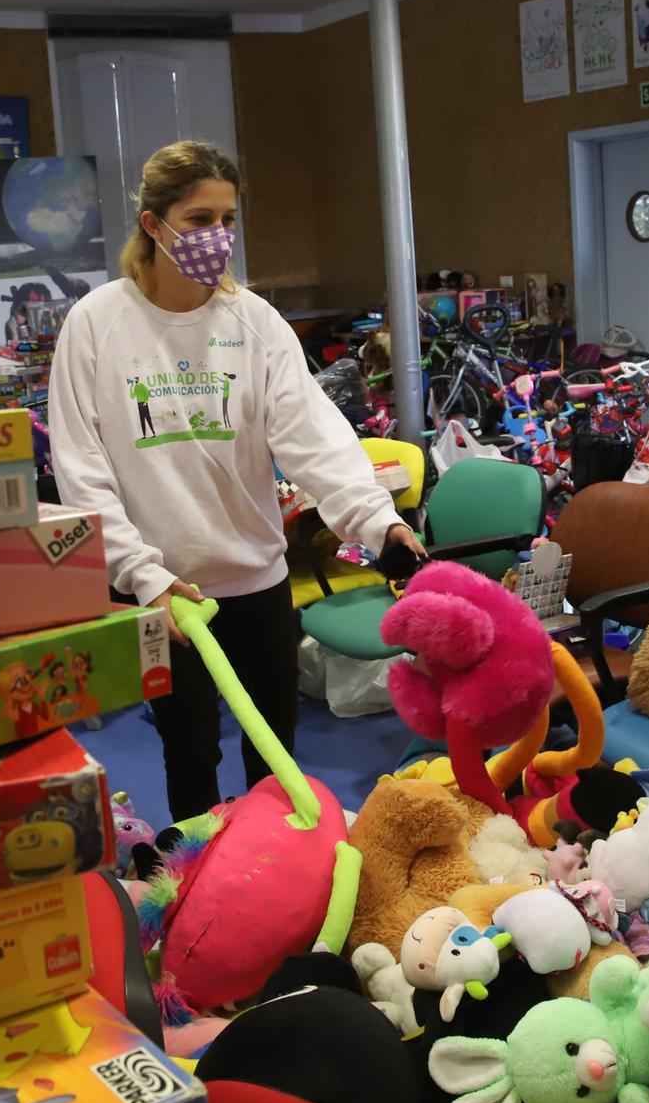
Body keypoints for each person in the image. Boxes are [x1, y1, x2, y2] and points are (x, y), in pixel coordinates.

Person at [51, 141, 424, 821]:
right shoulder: (97, 324)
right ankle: (202, 894)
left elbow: (314, 437)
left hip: (256, 581)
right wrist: (143, 576)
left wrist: (380, 523)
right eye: (198, 219)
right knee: (189, 755)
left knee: (274, 762)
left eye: (228, 218)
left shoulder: (254, 324)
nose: (216, 236)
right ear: (152, 224)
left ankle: (278, 888)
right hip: (169, 597)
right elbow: (82, 470)